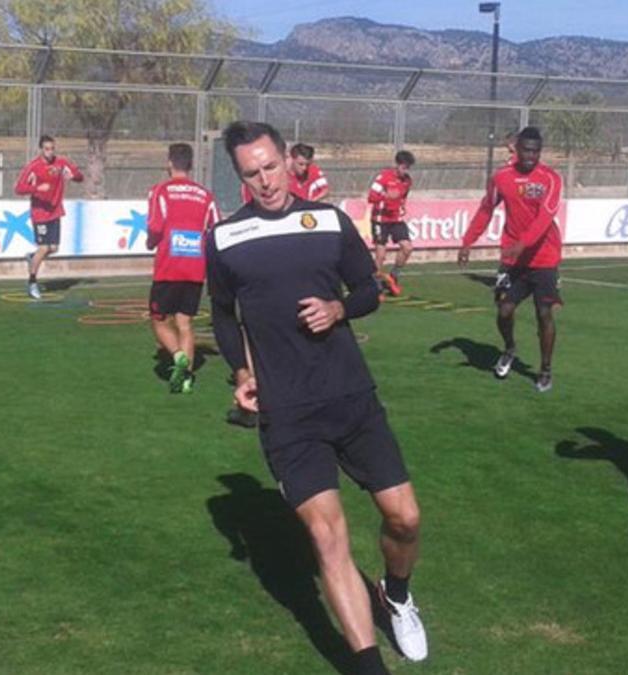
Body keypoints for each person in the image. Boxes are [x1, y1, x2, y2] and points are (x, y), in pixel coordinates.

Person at [208, 121, 426, 674]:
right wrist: (240, 372)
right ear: (240, 177)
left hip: (350, 397)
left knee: (404, 518)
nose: (265, 181)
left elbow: (370, 288)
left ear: (289, 161)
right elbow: (223, 317)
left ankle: (396, 593)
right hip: (287, 413)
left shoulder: (327, 221)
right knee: (329, 538)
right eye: (252, 173)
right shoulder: (226, 237)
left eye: (271, 166)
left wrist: (338, 310)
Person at [457, 126, 564, 393]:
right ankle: (509, 349)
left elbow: (545, 217)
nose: (531, 156)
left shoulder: (550, 179)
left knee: (544, 314)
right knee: (504, 310)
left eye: (536, 151)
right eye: (527, 150)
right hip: (513, 259)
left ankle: (546, 369)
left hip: (544, 258)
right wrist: (468, 241)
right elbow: (485, 209)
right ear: (516, 149)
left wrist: (522, 244)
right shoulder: (501, 177)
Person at [145, 143, 220, 394]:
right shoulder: (205, 195)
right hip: (195, 267)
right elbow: (216, 229)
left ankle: (178, 357)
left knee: (158, 320)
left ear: (169, 163)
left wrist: (150, 242)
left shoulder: (161, 191)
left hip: (169, 266)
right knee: (185, 323)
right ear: (190, 164)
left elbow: (156, 227)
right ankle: (186, 379)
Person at [15, 135, 83, 299]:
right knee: (44, 247)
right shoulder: (34, 166)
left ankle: (33, 257)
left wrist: (74, 177)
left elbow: (80, 176)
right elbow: (19, 188)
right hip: (40, 213)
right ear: (41, 150)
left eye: (52, 149)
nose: (50, 152)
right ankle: (32, 283)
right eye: (46, 149)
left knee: (53, 248)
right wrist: (37, 188)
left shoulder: (61, 163)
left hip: (55, 211)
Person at [369, 151, 416, 297]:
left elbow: (403, 197)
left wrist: (401, 205)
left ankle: (393, 276)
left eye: (407, 167)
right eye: (403, 167)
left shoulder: (407, 181)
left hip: (396, 219)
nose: (405, 170)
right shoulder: (384, 177)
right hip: (380, 219)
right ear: (397, 165)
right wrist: (386, 196)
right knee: (381, 255)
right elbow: (371, 197)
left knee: (407, 248)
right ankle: (375, 285)